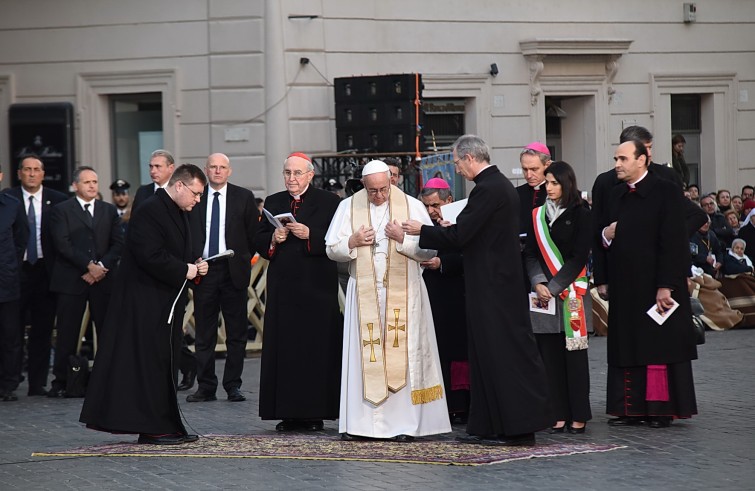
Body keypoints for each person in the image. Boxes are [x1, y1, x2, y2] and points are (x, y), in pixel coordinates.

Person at [403, 135, 550, 446]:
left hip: (494, 288)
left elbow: (461, 236)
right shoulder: (497, 187)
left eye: (457, 162)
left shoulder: (488, 189)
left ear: (470, 158)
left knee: (502, 357)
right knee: (486, 356)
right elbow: (473, 234)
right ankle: (488, 426)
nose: (456, 170)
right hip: (494, 285)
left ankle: (517, 428)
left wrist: (423, 231)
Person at [79, 164, 209, 445]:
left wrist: (195, 266)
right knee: (150, 364)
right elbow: (149, 255)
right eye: (196, 194)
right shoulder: (150, 209)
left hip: (166, 302)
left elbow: (177, 252)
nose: (198, 200)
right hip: (144, 302)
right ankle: (152, 427)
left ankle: (168, 423)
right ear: (179, 186)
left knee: (166, 362)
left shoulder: (177, 210)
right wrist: (182, 269)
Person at [326, 159, 450, 441]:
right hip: (365, 295)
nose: (379, 195)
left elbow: (429, 250)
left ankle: (404, 424)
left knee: (402, 356)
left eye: (383, 188)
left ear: (391, 182)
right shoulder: (349, 206)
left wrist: (402, 240)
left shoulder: (412, 206)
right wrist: (352, 242)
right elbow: (331, 250)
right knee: (366, 356)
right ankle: (361, 425)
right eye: (373, 190)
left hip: (404, 293)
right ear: (364, 186)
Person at [600, 140, 698, 428]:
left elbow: (674, 241)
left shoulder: (665, 189)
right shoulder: (616, 193)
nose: (617, 164)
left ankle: (658, 409)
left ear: (642, 160)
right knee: (628, 345)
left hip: (656, 284)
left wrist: (667, 284)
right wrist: (606, 234)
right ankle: (631, 409)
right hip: (625, 285)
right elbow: (602, 233)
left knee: (657, 347)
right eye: (616, 158)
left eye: (623, 158)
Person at [254, 152, 343, 432]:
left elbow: (339, 240)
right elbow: (257, 240)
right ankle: (287, 412)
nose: (291, 179)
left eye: (297, 173)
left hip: (316, 288)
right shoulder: (274, 201)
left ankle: (314, 412)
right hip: (283, 289)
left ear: (310, 175)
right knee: (285, 350)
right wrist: (273, 238)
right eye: (287, 173)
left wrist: (311, 235)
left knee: (314, 350)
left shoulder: (330, 202)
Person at [592, 126, 707, 301]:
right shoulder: (606, 183)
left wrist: (680, 264)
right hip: (622, 270)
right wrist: (601, 278)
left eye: (650, 147)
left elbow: (691, 219)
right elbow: (597, 229)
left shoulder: (667, 178)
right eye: (646, 148)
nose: (650, 154)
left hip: (662, 268)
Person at [524, 161, 592, 435]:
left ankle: (579, 413)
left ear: (567, 183)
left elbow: (579, 257)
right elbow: (529, 253)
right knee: (549, 356)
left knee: (574, 356)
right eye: (547, 183)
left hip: (571, 293)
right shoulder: (537, 215)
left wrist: (553, 286)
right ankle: (558, 413)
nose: (549, 187)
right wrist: (538, 282)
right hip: (544, 297)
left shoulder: (581, 213)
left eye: (554, 183)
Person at [186, 153, 258, 403]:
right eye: (213, 167)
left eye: (222, 167)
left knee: (236, 333)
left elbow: (253, 234)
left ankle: (233, 385)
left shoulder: (243, 196)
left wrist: (242, 260)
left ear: (230, 171)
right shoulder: (197, 195)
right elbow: (187, 231)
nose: (217, 171)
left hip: (233, 271)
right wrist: (193, 259)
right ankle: (205, 386)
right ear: (206, 170)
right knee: (204, 332)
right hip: (204, 269)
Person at [47, 167, 124, 397]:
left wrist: (100, 267)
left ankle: (108, 379)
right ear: (75, 185)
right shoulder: (61, 210)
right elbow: (62, 244)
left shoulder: (109, 210)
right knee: (67, 333)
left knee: (107, 330)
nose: (92, 186)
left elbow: (118, 243)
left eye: (95, 181)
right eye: (87, 182)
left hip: (104, 280)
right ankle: (61, 382)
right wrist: (88, 266)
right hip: (72, 279)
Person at [2, 156, 67, 396]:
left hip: (45, 272)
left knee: (42, 329)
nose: (31, 174)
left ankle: (37, 383)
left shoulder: (58, 200)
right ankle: (9, 381)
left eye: (36, 170)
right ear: (19, 173)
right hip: (15, 272)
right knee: (12, 330)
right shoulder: (8, 199)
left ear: (43, 174)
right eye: (27, 169)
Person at [418, 177, 470, 424]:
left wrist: (442, 263)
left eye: (436, 205)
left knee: (458, 350)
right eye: (426, 205)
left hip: (456, 293)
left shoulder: (461, 220)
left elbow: (470, 256)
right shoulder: (421, 223)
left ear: (449, 201)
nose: (431, 211)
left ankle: (460, 404)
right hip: (430, 292)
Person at [0, 167, 28, 402]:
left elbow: (22, 237)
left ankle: (8, 384)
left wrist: (11, 265)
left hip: (6, 280)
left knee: (10, 335)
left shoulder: (11, 205)